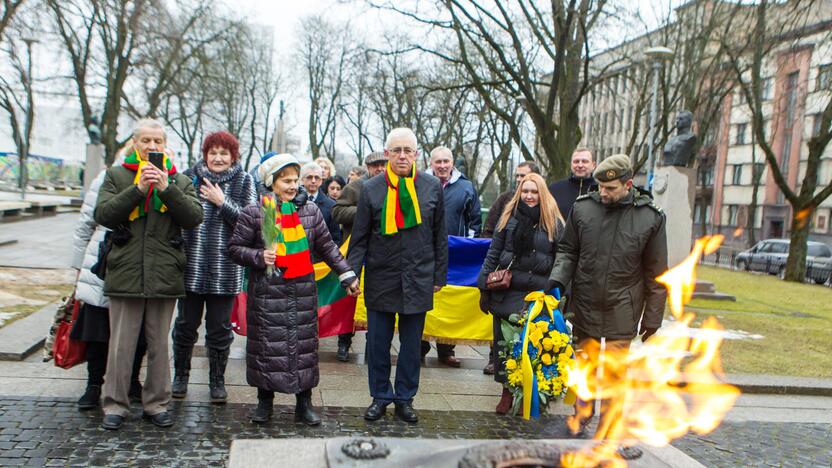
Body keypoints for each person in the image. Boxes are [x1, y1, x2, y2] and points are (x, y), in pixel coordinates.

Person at [228, 153, 359, 426]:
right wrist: (257, 256)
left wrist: (346, 274)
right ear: (271, 182)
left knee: (304, 351)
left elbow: (327, 247)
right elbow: (235, 248)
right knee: (266, 349)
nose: (292, 186)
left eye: (294, 180)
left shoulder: (310, 212)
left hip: (302, 293)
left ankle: (304, 404)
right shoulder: (258, 211)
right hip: (266, 294)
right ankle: (264, 404)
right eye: (285, 181)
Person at [94, 118, 203, 431]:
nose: (153, 147)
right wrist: (138, 189)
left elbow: (194, 217)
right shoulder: (116, 175)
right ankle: (115, 405)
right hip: (125, 273)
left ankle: (157, 404)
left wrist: (166, 190)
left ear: (164, 145)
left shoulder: (179, 180)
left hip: (165, 274)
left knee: (159, 346)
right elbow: (104, 215)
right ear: (135, 143)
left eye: (158, 141)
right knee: (121, 346)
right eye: (146, 141)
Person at [547, 154, 667, 437]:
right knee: (585, 366)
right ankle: (581, 416)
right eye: (600, 186)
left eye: (610, 189)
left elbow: (657, 272)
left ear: (627, 185)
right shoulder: (583, 209)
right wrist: (557, 280)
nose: (602, 193)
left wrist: (653, 317)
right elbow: (568, 251)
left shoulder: (650, 217)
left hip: (623, 305)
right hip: (585, 301)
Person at [347, 128, 448, 424]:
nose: (402, 155)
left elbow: (440, 235)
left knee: (411, 344)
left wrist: (439, 274)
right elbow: (360, 237)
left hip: (418, 278)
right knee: (377, 343)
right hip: (381, 277)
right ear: (388, 153)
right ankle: (379, 396)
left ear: (416, 154)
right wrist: (352, 273)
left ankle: (405, 398)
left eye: (408, 150)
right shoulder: (371, 189)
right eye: (396, 150)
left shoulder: (431, 187)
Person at [171, 131, 257, 404]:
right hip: (191, 267)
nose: (218, 158)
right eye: (213, 152)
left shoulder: (244, 181)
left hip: (225, 270)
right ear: (205, 154)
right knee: (185, 325)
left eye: (224, 153)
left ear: (233, 156)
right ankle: (181, 376)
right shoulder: (188, 177)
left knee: (219, 329)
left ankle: (217, 380)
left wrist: (223, 204)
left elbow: (251, 223)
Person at [477, 173, 564, 414]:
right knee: (505, 347)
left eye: (534, 191)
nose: (529, 195)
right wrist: (483, 284)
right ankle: (506, 391)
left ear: (542, 194)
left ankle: (531, 392)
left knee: (534, 347)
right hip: (508, 291)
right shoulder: (508, 217)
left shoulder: (554, 223)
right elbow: (493, 252)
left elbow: (561, 259)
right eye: (525, 191)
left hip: (538, 294)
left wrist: (555, 287)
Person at [71, 147, 146, 411]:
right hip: (102, 260)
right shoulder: (106, 178)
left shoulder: (160, 178)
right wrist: (78, 265)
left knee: (139, 331)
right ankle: (93, 384)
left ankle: (132, 380)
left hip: (139, 263)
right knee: (97, 328)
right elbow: (86, 223)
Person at [421, 146, 482, 367]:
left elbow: (475, 222)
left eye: (446, 161)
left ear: (452, 163)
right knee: (424, 300)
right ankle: (420, 347)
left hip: (454, 255)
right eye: (438, 162)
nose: (442, 166)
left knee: (449, 302)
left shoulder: (466, 187)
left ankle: (447, 349)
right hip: (423, 253)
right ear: (431, 163)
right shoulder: (419, 183)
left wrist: (467, 248)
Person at [480, 160, 540, 376]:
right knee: (503, 338)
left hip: (536, 287)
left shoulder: (552, 218)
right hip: (508, 284)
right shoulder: (506, 206)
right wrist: (484, 285)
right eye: (517, 177)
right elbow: (492, 246)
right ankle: (505, 385)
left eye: (524, 177)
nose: (520, 182)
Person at [331, 151, 388, 362]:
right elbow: (337, 212)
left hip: (382, 253)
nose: (380, 169)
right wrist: (364, 211)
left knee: (376, 301)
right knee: (350, 300)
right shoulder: (355, 187)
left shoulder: (394, 186)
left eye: (384, 165)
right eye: (376, 166)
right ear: (367, 167)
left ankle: (375, 345)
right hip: (356, 251)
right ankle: (344, 341)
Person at [482, 161, 540, 239]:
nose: (518, 179)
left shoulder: (545, 203)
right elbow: (488, 230)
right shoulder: (504, 199)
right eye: (517, 176)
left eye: (523, 176)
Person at [548, 147, 598, 220]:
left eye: (584, 161)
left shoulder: (601, 190)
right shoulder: (555, 189)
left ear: (593, 165)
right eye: (576, 161)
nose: (580, 165)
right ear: (571, 164)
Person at [301, 162, 342, 247]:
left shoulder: (331, 205)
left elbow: (335, 237)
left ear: (321, 181)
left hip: (321, 257)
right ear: (302, 179)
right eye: (309, 177)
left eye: (317, 177)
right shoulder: (292, 202)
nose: (313, 181)